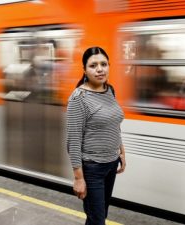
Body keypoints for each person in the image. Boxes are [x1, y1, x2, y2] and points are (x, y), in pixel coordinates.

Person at [66, 46, 126, 225]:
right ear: (84, 70)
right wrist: (78, 178)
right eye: (93, 65)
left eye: (103, 64)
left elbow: (113, 123)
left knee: (98, 217)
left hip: (110, 164)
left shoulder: (110, 90)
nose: (100, 69)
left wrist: (121, 151)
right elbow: (73, 141)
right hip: (92, 168)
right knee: (97, 220)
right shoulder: (79, 98)